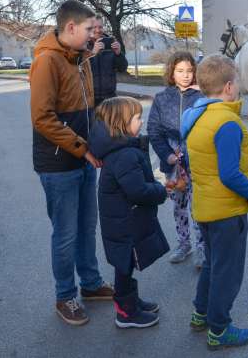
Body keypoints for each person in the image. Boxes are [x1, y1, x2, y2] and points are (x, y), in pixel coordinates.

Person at [30, 0, 113, 326]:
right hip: (57, 164)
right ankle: (65, 295)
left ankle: (90, 284)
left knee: (86, 227)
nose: (95, 34)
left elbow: (88, 110)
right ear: (70, 28)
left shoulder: (81, 59)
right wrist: (82, 148)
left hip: (83, 158)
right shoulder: (47, 61)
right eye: (90, 29)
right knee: (65, 233)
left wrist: (101, 141)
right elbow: (42, 118)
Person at [180, 54, 248, 350]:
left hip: (204, 207)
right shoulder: (227, 123)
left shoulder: (195, 116)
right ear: (229, 87)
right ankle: (220, 328)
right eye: (238, 82)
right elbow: (230, 174)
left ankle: (200, 313)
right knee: (227, 272)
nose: (240, 87)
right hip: (226, 211)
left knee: (214, 266)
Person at [89, 96, 170, 329]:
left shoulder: (120, 150)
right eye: (137, 118)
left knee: (126, 265)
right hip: (125, 223)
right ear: (121, 124)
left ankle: (130, 301)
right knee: (124, 266)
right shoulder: (124, 155)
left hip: (122, 220)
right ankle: (126, 312)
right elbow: (138, 191)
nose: (141, 121)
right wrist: (161, 190)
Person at [147, 51, 205, 266]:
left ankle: (202, 248)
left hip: (196, 160)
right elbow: (154, 130)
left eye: (190, 71)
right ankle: (184, 243)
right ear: (171, 72)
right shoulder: (162, 99)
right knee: (178, 206)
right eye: (180, 71)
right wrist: (168, 155)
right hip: (172, 163)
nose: (186, 75)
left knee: (197, 206)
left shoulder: (202, 97)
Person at [88, 18, 128, 107]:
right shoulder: (83, 45)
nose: (98, 30)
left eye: (100, 27)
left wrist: (118, 54)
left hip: (110, 99)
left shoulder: (110, 44)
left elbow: (123, 68)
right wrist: (92, 53)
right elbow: (80, 69)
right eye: (94, 27)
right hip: (89, 99)